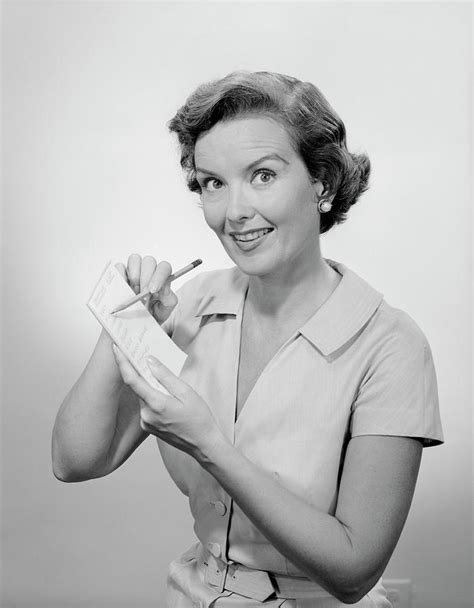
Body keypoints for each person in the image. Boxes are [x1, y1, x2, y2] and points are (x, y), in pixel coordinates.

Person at [52, 71, 444, 607]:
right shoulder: (191, 306)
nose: (233, 211)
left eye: (262, 175)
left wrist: (210, 445)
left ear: (322, 183)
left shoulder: (392, 345)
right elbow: (75, 462)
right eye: (213, 182)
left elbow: (354, 570)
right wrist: (123, 326)